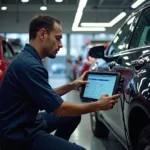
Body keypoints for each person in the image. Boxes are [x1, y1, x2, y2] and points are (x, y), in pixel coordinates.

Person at [0, 14, 120, 150]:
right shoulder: (30, 66)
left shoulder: (27, 58)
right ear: (42, 34)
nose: (61, 44)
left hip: (28, 122)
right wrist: (97, 105)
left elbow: (43, 95)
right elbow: (59, 109)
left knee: (73, 117)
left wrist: (71, 85)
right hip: (19, 135)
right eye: (58, 38)